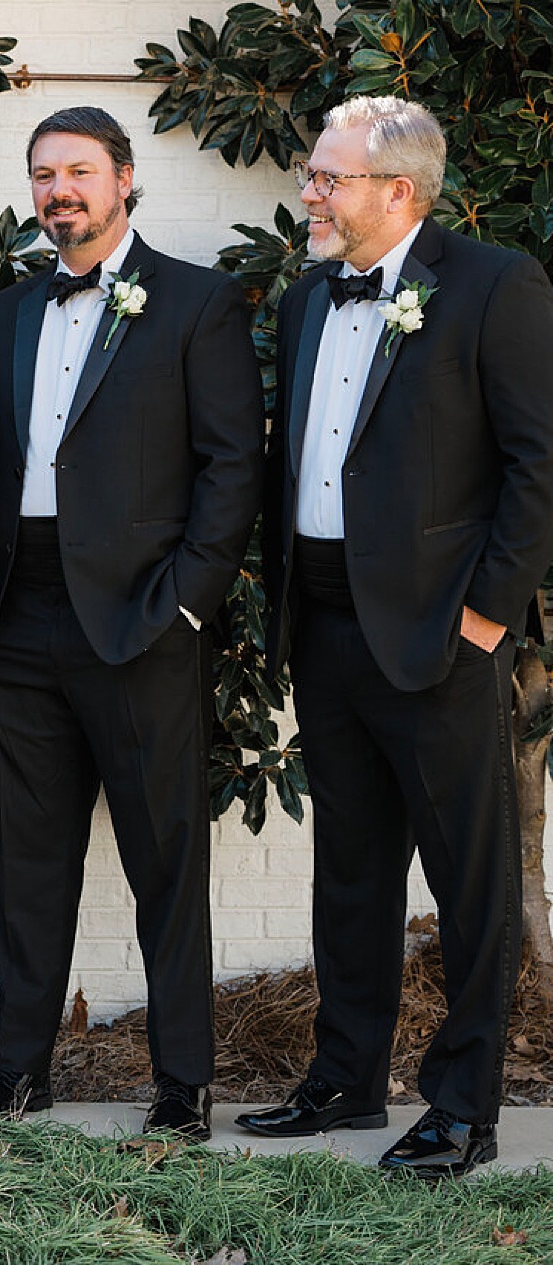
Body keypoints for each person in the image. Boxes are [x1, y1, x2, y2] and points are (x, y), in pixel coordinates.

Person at [236, 96, 553, 1177]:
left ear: (398, 192)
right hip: (322, 627)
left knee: (468, 884)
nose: (309, 193)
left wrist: (484, 619)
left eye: (327, 178)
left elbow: (536, 465)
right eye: (313, 175)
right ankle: (345, 1077)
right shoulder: (304, 297)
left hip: (437, 639)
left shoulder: (492, 286)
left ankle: (463, 1108)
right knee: (352, 869)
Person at [0, 106, 264, 1142]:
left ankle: (181, 1081)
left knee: (164, 861)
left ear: (124, 180)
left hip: (138, 622)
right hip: (13, 621)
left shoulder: (197, 302)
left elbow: (230, 469)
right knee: (24, 860)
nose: (58, 192)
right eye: (43, 175)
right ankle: (18, 1067)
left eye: (78, 172)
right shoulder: (3, 313)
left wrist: (180, 603)